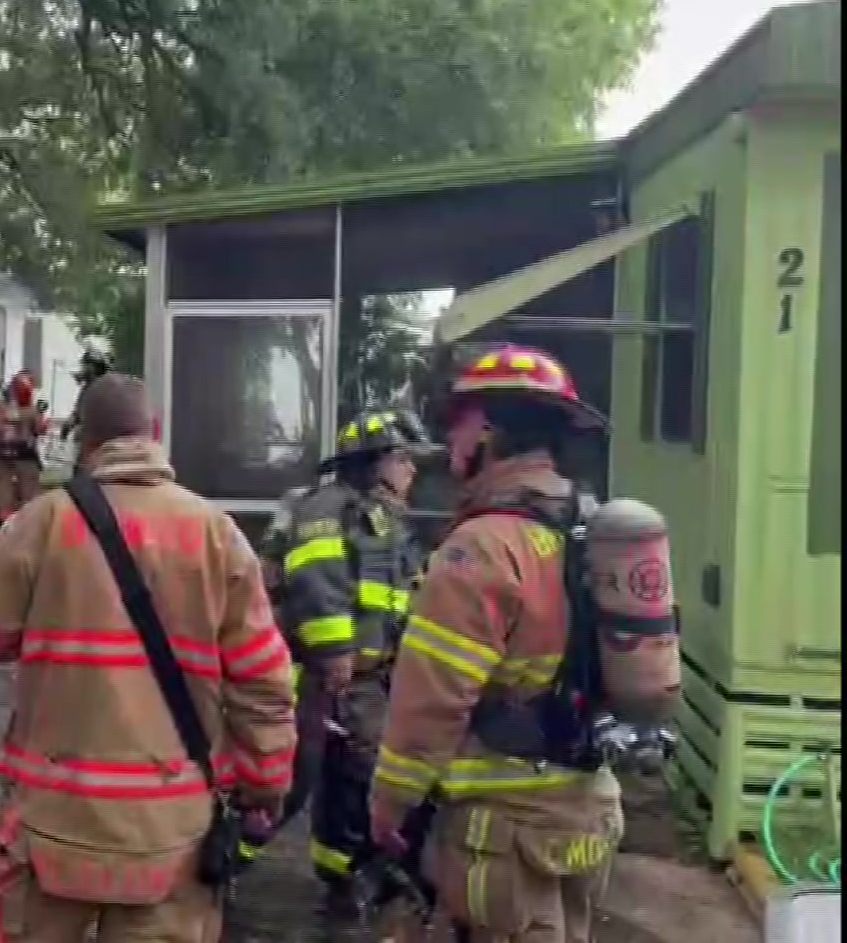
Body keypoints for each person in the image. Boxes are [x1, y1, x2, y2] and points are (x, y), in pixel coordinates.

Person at [0, 373, 298, 942]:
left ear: (85, 440)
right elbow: (262, 681)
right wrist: (265, 784)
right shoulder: (217, 535)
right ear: (154, 432)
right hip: (171, 831)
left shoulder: (39, 524)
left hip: (50, 821)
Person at [368, 344, 622, 943]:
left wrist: (391, 802)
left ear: (487, 428)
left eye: (456, 423)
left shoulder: (482, 545)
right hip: (588, 807)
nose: (449, 441)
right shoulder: (589, 526)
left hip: (506, 825)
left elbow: (432, 698)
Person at [265, 410, 435, 942]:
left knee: (348, 780)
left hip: (371, 675)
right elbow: (317, 581)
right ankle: (221, 860)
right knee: (296, 778)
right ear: (373, 462)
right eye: (403, 459)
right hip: (331, 676)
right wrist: (336, 653)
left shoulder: (386, 517)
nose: (412, 469)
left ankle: (341, 877)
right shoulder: (328, 509)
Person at [0, 370, 49, 523]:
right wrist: (43, 423)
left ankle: (4, 515)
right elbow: (40, 430)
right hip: (25, 453)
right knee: (28, 485)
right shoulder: (32, 411)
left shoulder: (2, 407)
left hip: (2, 452)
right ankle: (27, 517)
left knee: (3, 484)